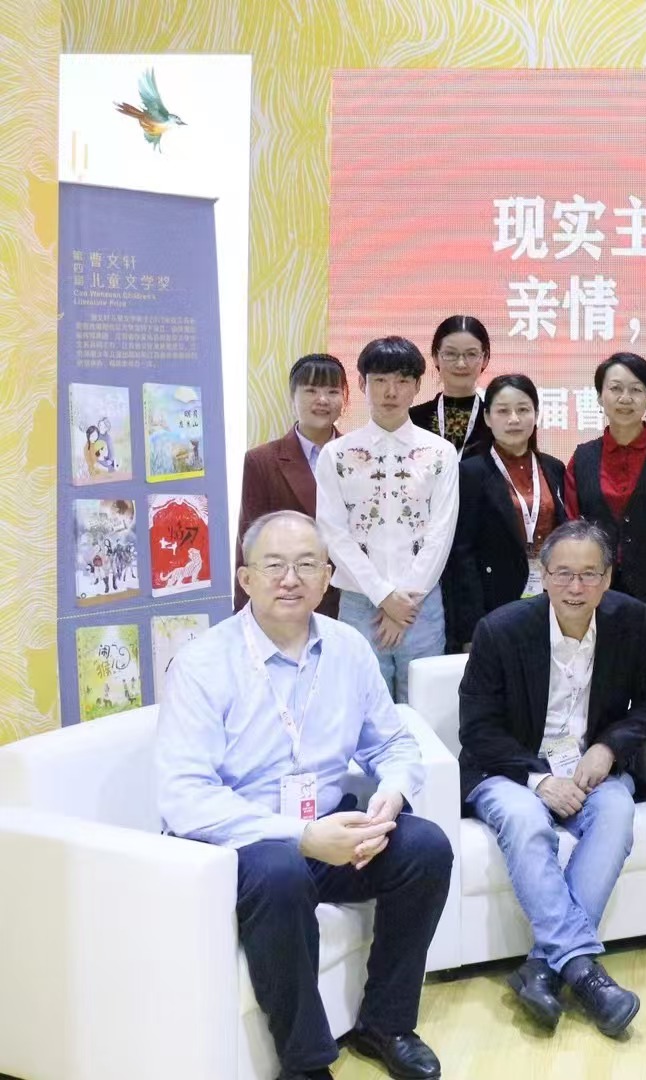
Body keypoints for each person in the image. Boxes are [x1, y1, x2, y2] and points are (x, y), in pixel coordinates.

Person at [156, 510, 452, 1080]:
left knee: (425, 848)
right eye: (274, 566)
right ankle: (306, 1062)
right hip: (241, 843)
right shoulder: (202, 664)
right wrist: (303, 836)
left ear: (327, 577)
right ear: (246, 579)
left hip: (328, 827)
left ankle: (386, 1024)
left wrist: (391, 794)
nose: (290, 579)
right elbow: (184, 797)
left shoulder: (348, 648)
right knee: (282, 871)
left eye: (306, 565)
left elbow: (392, 742)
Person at [458, 520, 646, 1039]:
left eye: (589, 575)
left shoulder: (631, 619)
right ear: (544, 575)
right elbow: (477, 729)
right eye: (563, 574)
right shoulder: (501, 629)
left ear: (607, 578)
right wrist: (537, 780)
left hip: (586, 767)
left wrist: (608, 747)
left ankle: (542, 968)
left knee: (617, 811)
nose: (576, 588)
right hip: (510, 770)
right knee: (526, 820)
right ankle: (582, 969)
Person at [315, 336, 459, 702]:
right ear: (362, 384)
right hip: (359, 602)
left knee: (424, 706)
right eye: (379, 380)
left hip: (420, 603)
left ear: (417, 386)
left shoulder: (440, 453)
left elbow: (441, 533)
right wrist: (383, 597)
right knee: (363, 704)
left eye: (402, 381)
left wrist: (403, 603)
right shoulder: (336, 454)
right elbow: (332, 532)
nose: (390, 391)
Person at [564, 351, 646, 712]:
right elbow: (573, 533)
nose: (625, 398)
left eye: (636, 390)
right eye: (616, 389)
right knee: (601, 692)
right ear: (600, 396)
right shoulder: (582, 457)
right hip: (599, 601)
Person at [442, 374, 567, 653]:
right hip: (494, 602)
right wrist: (471, 628)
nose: (514, 419)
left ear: (536, 414)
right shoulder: (470, 472)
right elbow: (462, 555)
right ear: (487, 418)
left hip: (552, 598)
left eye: (523, 409)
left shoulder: (554, 468)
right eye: (503, 411)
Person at [236, 353, 350, 619]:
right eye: (311, 390)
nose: (322, 400)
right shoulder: (262, 461)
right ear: (292, 397)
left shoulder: (359, 457)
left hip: (351, 601)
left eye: (332, 391)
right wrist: (244, 611)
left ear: (345, 399)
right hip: (288, 599)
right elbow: (250, 542)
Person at [409, 315, 493, 456]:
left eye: (471, 354)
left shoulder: (496, 421)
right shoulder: (412, 420)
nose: (461, 364)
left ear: (485, 359)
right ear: (435, 357)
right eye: (450, 354)